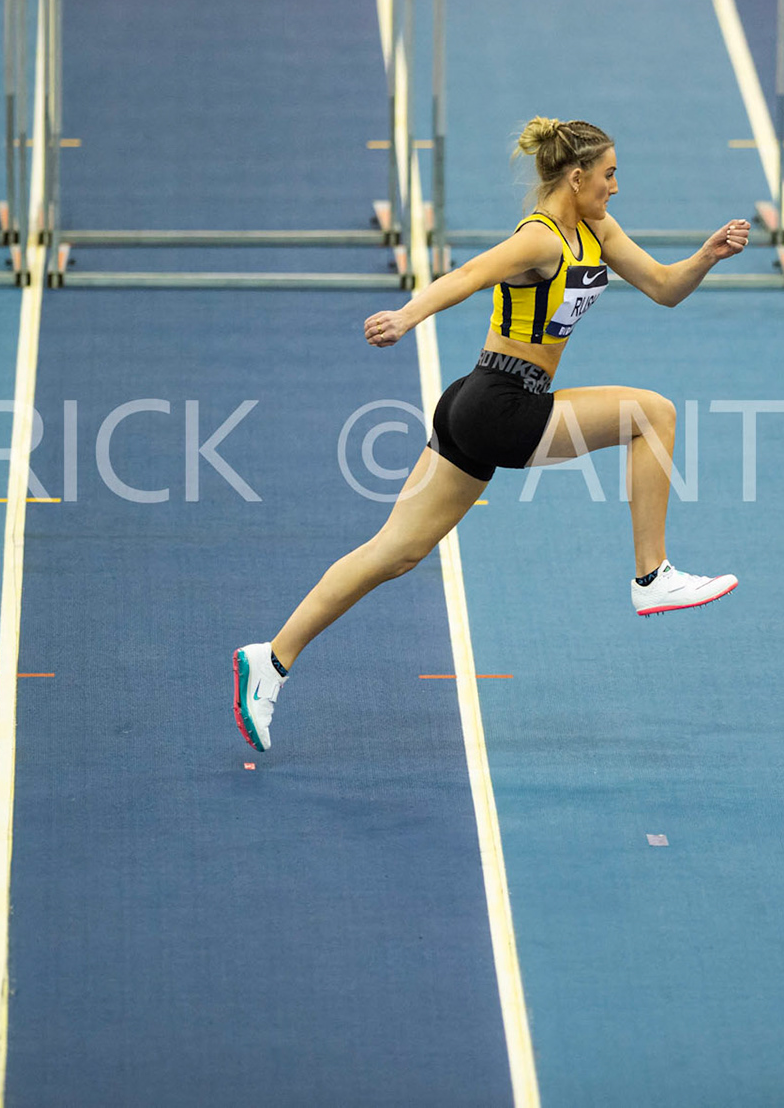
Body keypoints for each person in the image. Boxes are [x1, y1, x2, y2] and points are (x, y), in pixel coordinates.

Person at [234, 116, 749, 751]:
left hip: (474, 405)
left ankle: (271, 659)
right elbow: (467, 276)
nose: (617, 187)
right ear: (576, 175)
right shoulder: (539, 241)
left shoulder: (597, 231)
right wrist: (405, 316)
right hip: (501, 404)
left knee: (394, 552)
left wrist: (706, 254)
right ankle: (651, 577)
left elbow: (665, 289)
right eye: (609, 174)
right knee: (653, 414)